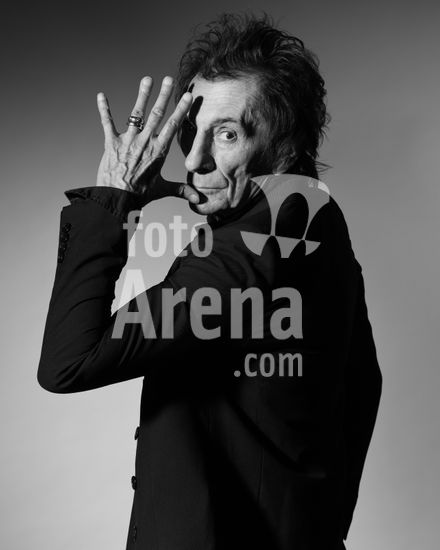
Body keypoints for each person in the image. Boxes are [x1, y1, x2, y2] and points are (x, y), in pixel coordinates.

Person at [37, 13, 382, 550]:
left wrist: (114, 199)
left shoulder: (248, 249)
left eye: (226, 134)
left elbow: (69, 362)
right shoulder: (313, 217)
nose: (194, 160)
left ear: (285, 146)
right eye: (189, 132)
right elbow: (363, 385)